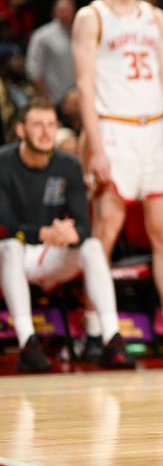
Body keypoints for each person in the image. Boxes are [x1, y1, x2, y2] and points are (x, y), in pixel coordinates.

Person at [71, 0, 163, 362]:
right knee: (106, 229)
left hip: (156, 132)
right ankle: (98, 331)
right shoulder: (92, 17)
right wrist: (95, 145)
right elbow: (85, 86)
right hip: (114, 128)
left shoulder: (155, 17)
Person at [0, 99, 134, 371]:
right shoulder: (4, 163)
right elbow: (5, 226)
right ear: (21, 130)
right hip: (19, 255)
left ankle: (112, 338)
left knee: (93, 246)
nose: (46, 132)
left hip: (53, 254)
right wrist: (43, 232)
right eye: (37, 125)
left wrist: (72, 234)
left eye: (51, 125)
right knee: (8, 246)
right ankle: (28, 343)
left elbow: (84, 225)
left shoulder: (67, 164)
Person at [25, 0, 76, 107]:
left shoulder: (79, 32)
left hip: (77, 97)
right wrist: (45, 96)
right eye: (62, 10)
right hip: (55, 99)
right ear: (54, 12)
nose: (65, 14)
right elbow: (33, 70)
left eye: (69, 10)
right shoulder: (42, 35)